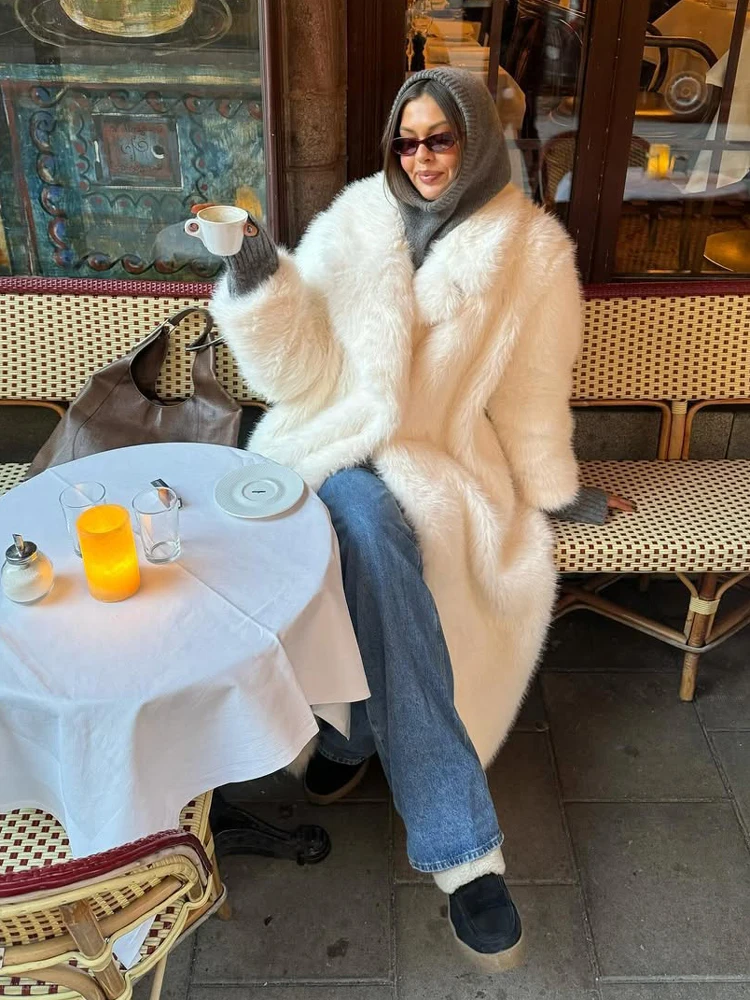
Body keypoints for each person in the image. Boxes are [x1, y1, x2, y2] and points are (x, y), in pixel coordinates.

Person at [209, 67, 630, 970]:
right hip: (326, 444)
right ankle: (455, 839)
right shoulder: (357, 218)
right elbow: (295, 373)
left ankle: (368, 749)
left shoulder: (532, 252)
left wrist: (555, 490)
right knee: (362, 525)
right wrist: (255, 274)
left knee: (374, 539)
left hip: (439, 461)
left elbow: (530, 394)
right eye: (407, 141)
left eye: (441, 138)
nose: (422, 158)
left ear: (476, 140)